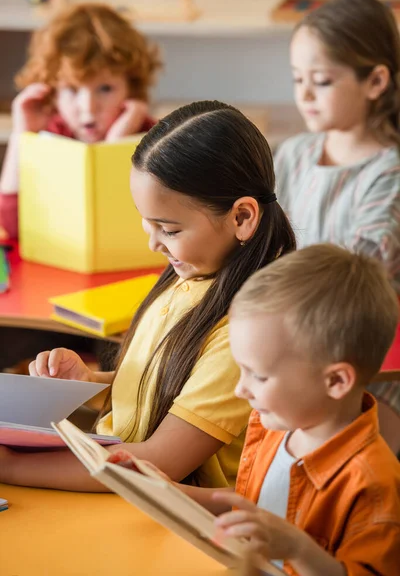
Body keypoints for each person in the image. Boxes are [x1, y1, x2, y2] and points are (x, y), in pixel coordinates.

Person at [0, 100, 296, 492]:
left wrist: (12, 470)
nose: (154, 244)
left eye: (169, 230)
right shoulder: (195, 271)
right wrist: (94, 382)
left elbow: (160, 463)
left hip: (168, 512)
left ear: (242, 217)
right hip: (120, 482)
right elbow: (164, 387)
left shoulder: (247, 330)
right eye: (146, 223)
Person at [168, 244, 400, 575]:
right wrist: (169, 491)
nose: (240, 389)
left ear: (335, 381)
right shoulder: (278, 427)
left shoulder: (373, 485)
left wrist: (299, 550)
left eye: (259, 375)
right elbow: (256, 502)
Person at [274, 0, 400, 453]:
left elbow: (359, 281)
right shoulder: (292, 155)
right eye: (297, 80)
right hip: (287, 340)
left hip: (364, 360)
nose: (304, 95)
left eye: (321, 81)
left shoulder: (389, 173)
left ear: (376, 81)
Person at [0, 2, 161, 240]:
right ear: (51, 91)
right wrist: (21, 135)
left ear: (131, 87)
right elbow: (10, 226)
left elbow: (145, 231)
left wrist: (115, 149)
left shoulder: (155, 137)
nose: (88, 108)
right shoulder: (51, 135)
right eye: (72, 90)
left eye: (105, 88)